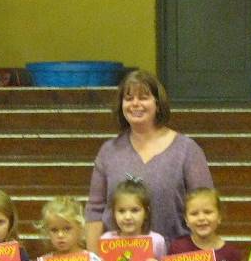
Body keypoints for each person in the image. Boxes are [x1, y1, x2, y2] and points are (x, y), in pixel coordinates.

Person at [86, 70, 213, 248]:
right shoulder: (108, 151)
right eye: (129, 98)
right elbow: (95, 210)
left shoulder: (187, 150)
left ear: (158, 104)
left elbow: (206, 206)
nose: (135, 104)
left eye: (143, 97)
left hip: (174, 258)